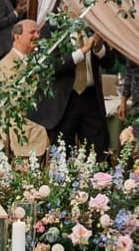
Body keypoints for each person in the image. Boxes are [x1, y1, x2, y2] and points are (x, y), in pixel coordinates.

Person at [30, 20, 111, 160]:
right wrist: (82, 51)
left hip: (90, 97)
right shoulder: (52, 27)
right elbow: (50, 67)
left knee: (98, 152)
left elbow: (111, 62)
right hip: (64, 101)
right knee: (62, 155)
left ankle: (100, 180)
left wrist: (99, 48)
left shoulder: (92, 24)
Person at [0, 17, 50, 163]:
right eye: (32, 32)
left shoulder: (32, 61)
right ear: (17, 37)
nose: (37, 36)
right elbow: (15, 102)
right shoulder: (6, 65)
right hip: (19, 121)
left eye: (38, 32)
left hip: (38, 116)